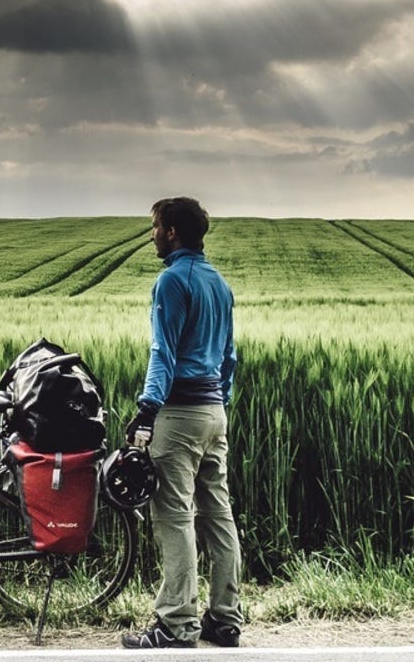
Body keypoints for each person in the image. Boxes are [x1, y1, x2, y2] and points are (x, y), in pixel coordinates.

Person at [120, 196, 244, 649]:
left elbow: (163, 353)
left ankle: (176, 624)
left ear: (171, 231)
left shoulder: (172, 281)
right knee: (218, 515)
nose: (151, 234)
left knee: (173, 516)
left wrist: (148, 409)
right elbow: (230, 356)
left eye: (155, 226)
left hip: (179, 413)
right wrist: (219, 402)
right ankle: (226, 620)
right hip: (215, 414)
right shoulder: (219, 283)